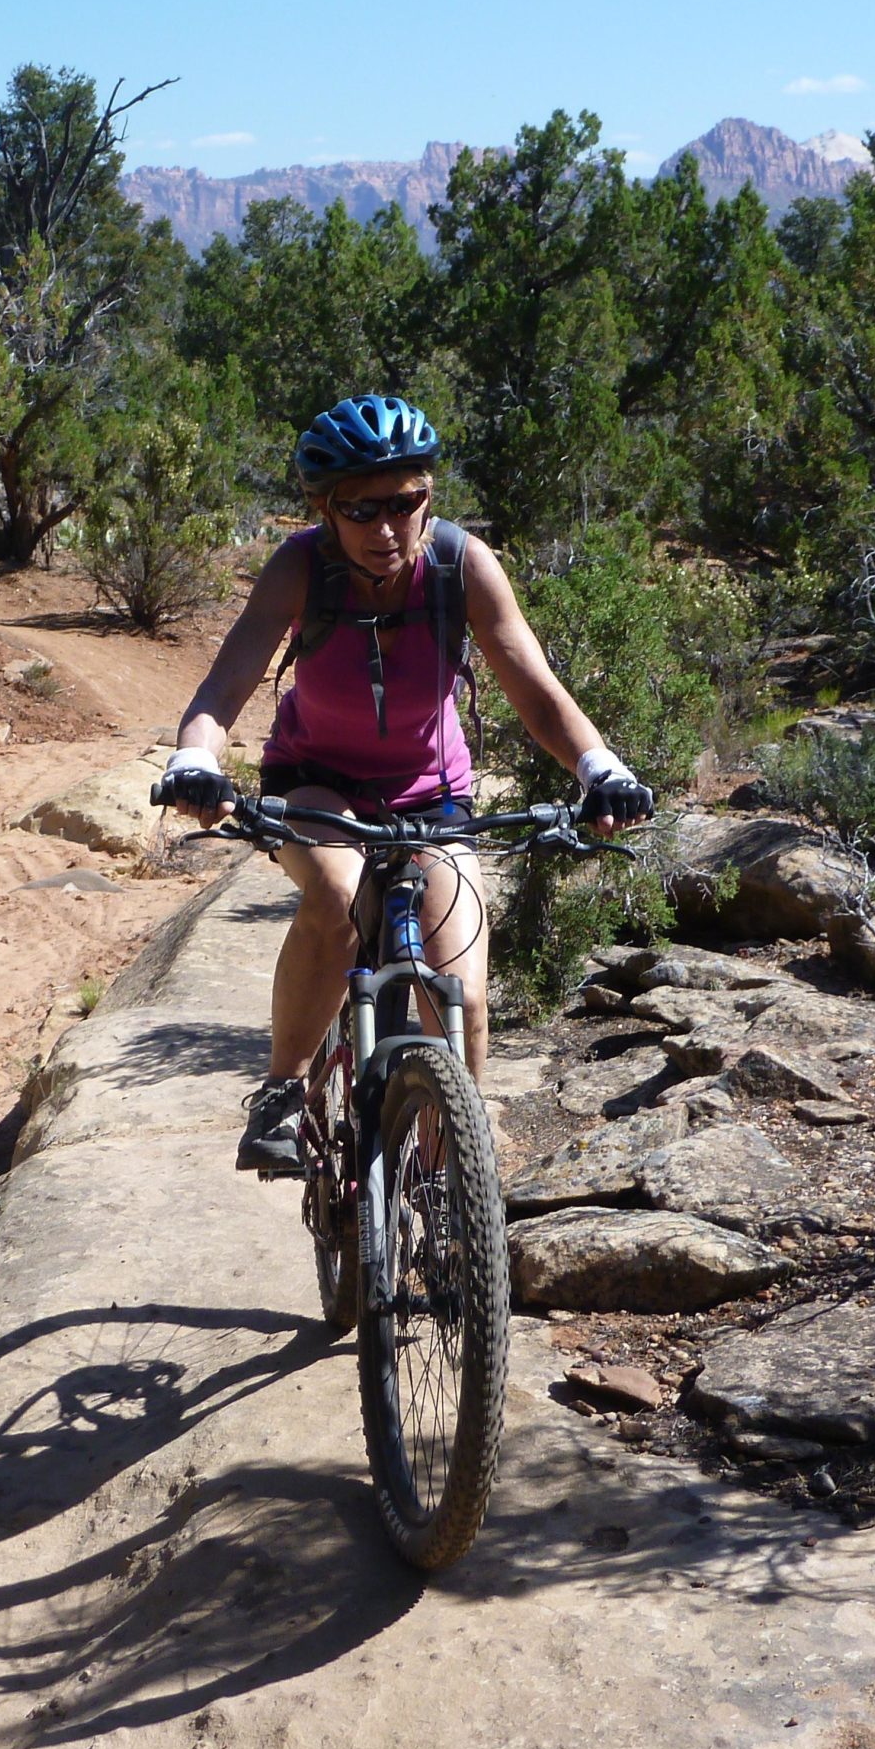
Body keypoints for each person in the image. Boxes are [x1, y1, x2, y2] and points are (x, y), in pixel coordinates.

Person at [158, 394, 653, 1173]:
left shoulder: (462, 564)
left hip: (432, 798)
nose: (387, 530)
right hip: (319, 784)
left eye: (406, 502)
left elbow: (536, 688)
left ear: (430, 495)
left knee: (465, 999)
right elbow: (224, 688)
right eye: (361, 510)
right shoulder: (301, 567)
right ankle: (283, 1092)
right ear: (325, 510)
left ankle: (452, 1198)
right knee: (336, 895)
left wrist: (601, 769)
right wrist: (195, 761)